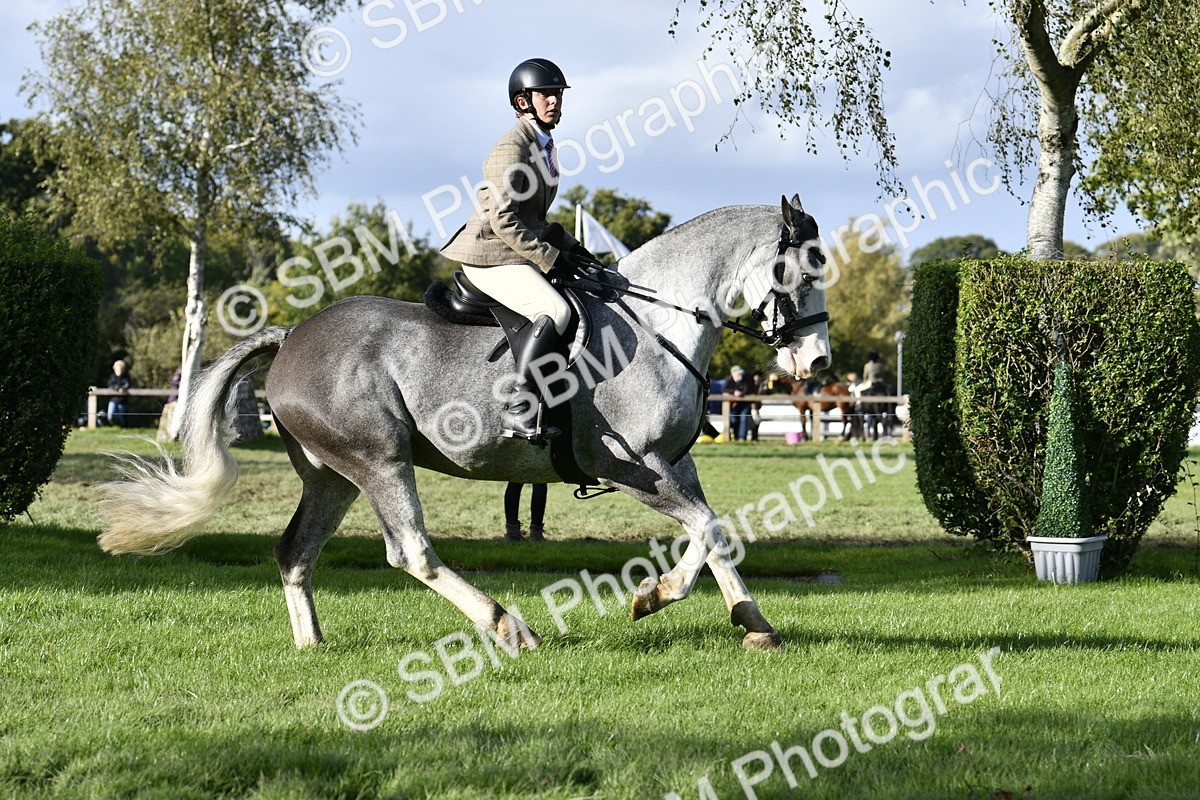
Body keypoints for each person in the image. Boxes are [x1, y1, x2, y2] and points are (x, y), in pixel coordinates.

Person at [440, 58, 599, 445]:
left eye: (558, 95)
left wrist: (573, 250)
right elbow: (503, 219)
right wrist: (548, 257)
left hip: (512, 251)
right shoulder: (511, 147)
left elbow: (535, 219)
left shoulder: (544, 145)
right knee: (556, 310)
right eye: (546, 94)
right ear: (523, 101)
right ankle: (521, 406)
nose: (554, 102)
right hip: (488, 255)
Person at [726, 365, 752, 441]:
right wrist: (734, 392)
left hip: (744, 404)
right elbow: (724, 389)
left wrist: (741, 393)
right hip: (733, 405)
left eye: (740, 373)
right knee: (734, 420)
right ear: (733, 374)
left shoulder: (745, 379)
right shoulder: (728, 380)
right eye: (738, 373)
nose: (740, 375)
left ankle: (742, 438)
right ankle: (736, 437)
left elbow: (749, 389)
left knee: (744, 419)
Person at [106, 359, 133, 426]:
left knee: (120, 416)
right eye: (117, 369)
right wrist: (118, 389)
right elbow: (110, 385)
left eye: (120, 369)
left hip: (122, 400)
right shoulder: (112, 377)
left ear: (123, 370)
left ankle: (120, 428)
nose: (119, 371)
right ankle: (113, 426)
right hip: (113, 399)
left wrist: (123, 389)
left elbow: (128, 384)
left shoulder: (126, 377)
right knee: (110, 415)